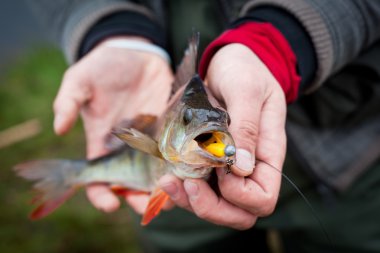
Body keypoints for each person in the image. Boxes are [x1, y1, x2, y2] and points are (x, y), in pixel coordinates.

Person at [29, 0, 380, 252]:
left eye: (219, 123)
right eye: (188, 120)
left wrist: (276, 43)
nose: (211, 129)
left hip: (353, 156)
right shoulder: (162, 148)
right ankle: (72, 174)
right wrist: (110, 30)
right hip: (180, 210)